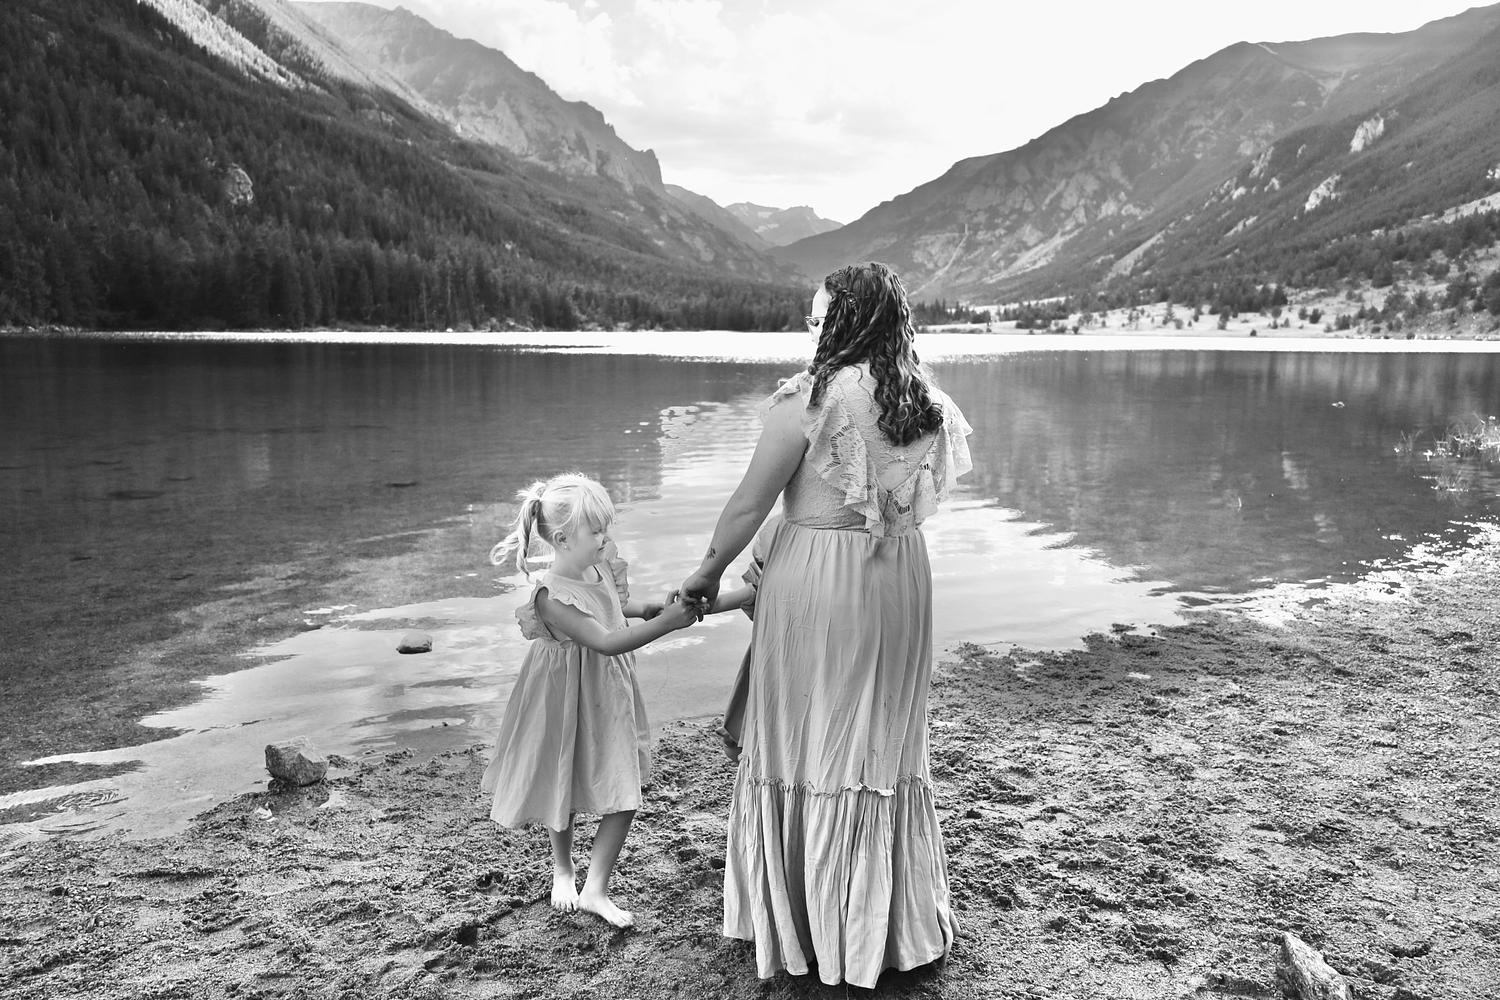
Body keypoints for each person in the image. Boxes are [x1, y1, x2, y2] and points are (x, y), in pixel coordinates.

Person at [681, 261, 973, 987]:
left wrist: (705, 575)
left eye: (818, 319)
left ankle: (813, 924)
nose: (810, 331)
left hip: (822, 582)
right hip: (900, 581)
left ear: (843, 322)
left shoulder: (808, 402)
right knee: (880, 740)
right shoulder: (927, 405)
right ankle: (883, 922)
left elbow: (748, 505)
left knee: (812, 734)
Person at [482, 473, 700, 928]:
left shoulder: (599, 565)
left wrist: (648, 610)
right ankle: (563, 868)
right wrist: (668, 625)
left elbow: (610, 608)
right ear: (563, 539)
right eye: (596, 530)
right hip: (562, 693)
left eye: (605, 528)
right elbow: (604, 640)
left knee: (623, 789)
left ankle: (595, 889)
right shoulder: (551, 597)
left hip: (607, 691)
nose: (605, 537)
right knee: (562, 778)